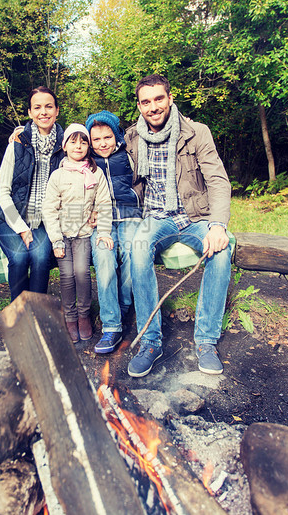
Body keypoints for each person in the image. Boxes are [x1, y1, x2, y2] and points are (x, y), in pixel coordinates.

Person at [124, 74, 233, 377]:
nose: (153, 106)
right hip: (155, 217)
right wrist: (22, 134)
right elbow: (98, 152)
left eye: (159, 98)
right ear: (139, 105)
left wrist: (218, 225)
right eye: (146, 101)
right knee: (138, 247)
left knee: (222, 251)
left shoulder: (196, 132)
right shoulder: (132, 137)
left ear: (170, 99)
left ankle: (206, 341)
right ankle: (150, 342)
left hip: (195, 216)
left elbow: (218, 181)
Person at [42, 124, 113, 342]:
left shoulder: (95, 173)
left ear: (88, 146)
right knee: (66, 275)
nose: (78, 146)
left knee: (82, 272)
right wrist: (55, 239)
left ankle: (84, 316)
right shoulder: (57, 176)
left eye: (83, 142)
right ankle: (70, 317)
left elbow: (104, 203)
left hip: (83, 234)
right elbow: (49, 208)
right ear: (64, 146)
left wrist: (103, 231)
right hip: (62, 235)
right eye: (73, 141)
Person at [0, 87, 65, 301]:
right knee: (19, 258)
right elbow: (3, 192)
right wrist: (22, 229)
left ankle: (38, 313)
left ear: (57, 111)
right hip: (12, 219)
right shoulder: (17, 144)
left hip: (44, 222)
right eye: (37, 107)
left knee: (41, 258)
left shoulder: (66, 145)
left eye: (48, 106)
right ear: (30, 112)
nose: (43, 112)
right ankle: (20, 315)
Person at [85, 110, 142, 354]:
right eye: (96, 139)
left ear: (116, 135)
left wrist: (138, 202)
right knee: (105, 258)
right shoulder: (85, 161)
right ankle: (111, 325)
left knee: (132, 252)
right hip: (101, 223)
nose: (102, 143)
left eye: (107, 137)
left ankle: (123, 306)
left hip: (130, 216)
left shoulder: (128, 154)